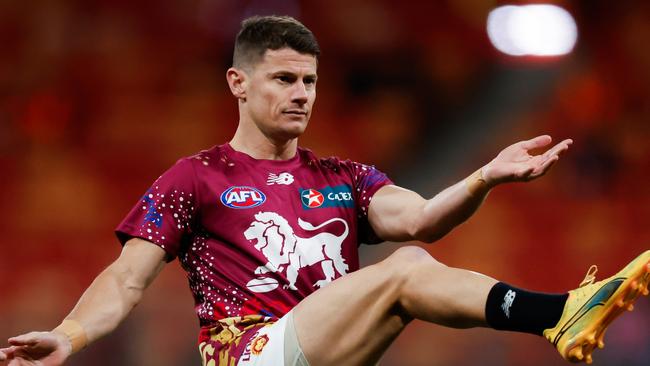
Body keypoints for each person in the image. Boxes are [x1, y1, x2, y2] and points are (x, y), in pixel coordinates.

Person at [1, 15, 648, 366]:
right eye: (283, 79)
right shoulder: (195, 177)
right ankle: (560, 313)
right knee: (404, 273)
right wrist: (70, 335)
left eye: (309, 81)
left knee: (412, 262)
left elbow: (421, 218)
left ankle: (563, 315)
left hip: (320, 350)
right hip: (247, 356)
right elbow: (124, 282)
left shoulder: (345, 179)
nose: (301, 95)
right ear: (239, 84)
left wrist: (485, 176)